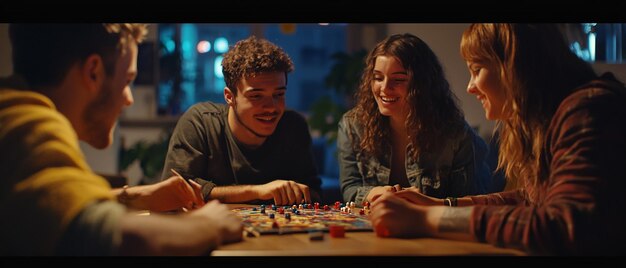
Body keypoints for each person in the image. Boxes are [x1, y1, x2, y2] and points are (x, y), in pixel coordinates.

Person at [368, 24, 626, 255]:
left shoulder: (589, 110)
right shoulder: (556, 117)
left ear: (515, 67)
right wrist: (444, 204)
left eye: (477, 69)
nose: (470, 86)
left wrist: (428, 219)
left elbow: (563, 225)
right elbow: (531, 199)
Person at [0, 24, 242, 256]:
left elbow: (49, 211)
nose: (128, 99)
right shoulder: (24, 122)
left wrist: (138, 196)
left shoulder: (14, 112)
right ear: (93, 72)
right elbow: (118, 239)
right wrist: (208, 224)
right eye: (127, 81)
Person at [337, 33, 498, 206]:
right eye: (377, 78)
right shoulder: (353, 126)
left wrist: (424, 203)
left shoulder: (456, 136)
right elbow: (349, 188)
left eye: (398, 79)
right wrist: (375, 193)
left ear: (422, 85)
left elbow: (471, 203)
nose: (384, 88)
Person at [161, 36, 322, 206]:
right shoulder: (201, 123)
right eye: (256, 96)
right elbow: (175, 192)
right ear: (230, 97)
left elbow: (313, 192)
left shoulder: (293, 127)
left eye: (279, 94)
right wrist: (257, 191)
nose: (271, 107)